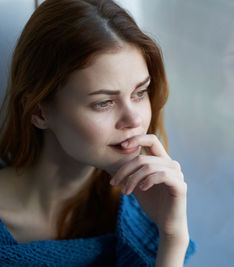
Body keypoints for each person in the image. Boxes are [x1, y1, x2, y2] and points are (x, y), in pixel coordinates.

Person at [0, 0, 196, 266]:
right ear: (39, 112)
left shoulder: (144, 216)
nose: (135, 119)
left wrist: (172, 237)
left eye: (140, 93)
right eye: (104, 102)